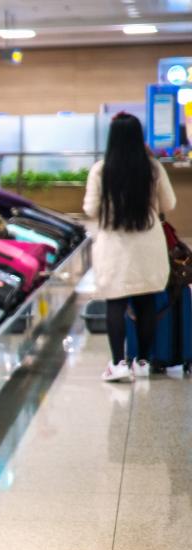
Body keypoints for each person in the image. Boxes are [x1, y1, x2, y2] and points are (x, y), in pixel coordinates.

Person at [83, 112, 177, 382]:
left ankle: (117, 364)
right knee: (147, 301)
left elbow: (90, 208)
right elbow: (168, 204)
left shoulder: (101, 170)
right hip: (149, 245)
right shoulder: (153, 168)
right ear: (139, 137)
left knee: (116, 302)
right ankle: (143, 362)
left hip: (115, 245)